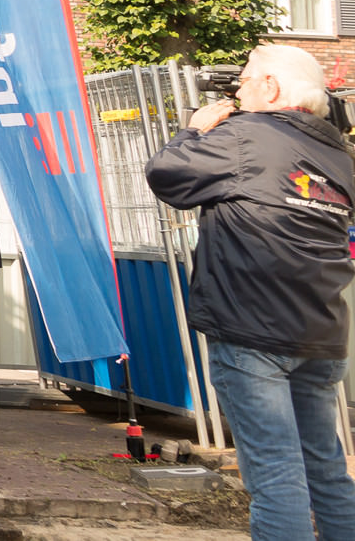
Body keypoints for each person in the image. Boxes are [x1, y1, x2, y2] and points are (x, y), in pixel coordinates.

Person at [145, 44, 355, 540]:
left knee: (276, 472)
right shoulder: (338, 155)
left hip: (252, 328)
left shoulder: (246, 135)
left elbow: (166, 175)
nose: (237, 90)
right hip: (320, 331)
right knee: (325, 467)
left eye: (243, 80)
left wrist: (194, 129)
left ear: (272, 88)